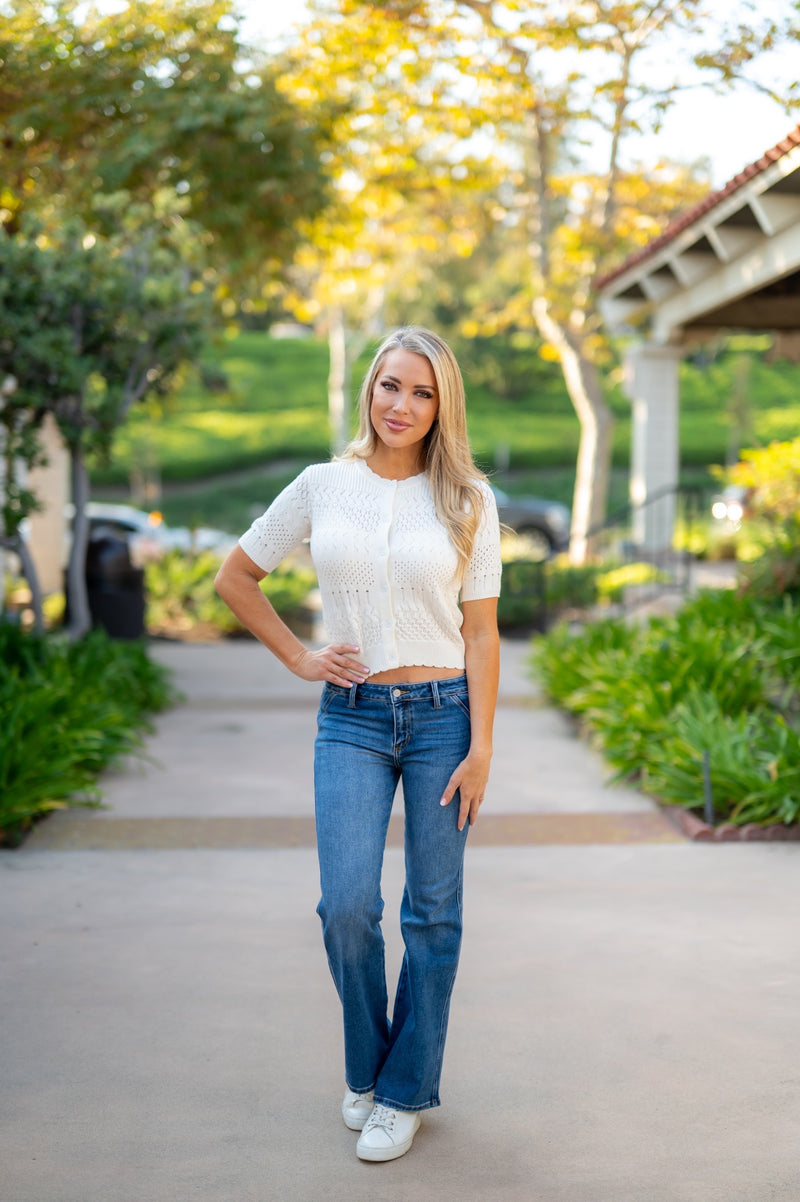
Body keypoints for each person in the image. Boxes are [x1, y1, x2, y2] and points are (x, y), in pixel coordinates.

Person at [214, 326, 501, 1162]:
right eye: (389, 386)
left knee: (433, 914)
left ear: (442, 405)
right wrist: (302, 656)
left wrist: (482, 746)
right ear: (368, 390)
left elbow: (481, 635)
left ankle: (404, 1090)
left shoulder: (468, 500)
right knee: (346, 907)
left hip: (445, 716)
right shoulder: (321, 486)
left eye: (421, 392)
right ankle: (368, 1069)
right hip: (352, 716)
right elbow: (237, 577)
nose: (401, 405)